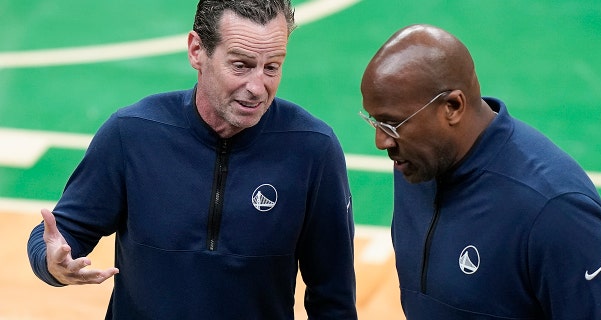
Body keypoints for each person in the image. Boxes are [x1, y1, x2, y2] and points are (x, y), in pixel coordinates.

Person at [27, 0, 358, 318]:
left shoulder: (314, 149)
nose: (257, 87)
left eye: (271, 67)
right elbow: (63, 233)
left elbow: (333, 297)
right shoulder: (132, 134)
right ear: (197, 50)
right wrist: (52, 263)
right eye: (241, 65)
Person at [359, 24, 601, 319]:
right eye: (374, 122)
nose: (380, 141)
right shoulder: (416, 166)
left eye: (392, 124)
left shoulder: (555, 211)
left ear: (452, 106)